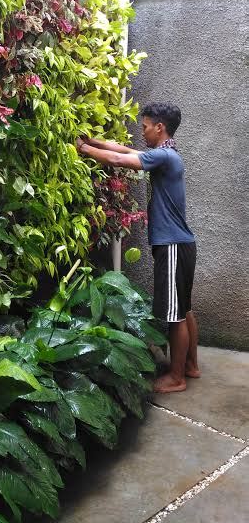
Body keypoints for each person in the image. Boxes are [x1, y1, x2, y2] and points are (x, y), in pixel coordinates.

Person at [76, 102, 199, 394]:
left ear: (160, 127)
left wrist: (82, 150)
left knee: (175, 316)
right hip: (182, 245)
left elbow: (119, 161)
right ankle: (191, 367)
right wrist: (91, 140)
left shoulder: (165, 156)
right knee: (185, 309)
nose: (141, 132)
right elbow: (123, 150)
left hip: (171, 246)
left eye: (144, 127)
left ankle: (177, 377)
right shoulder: (167, 154)